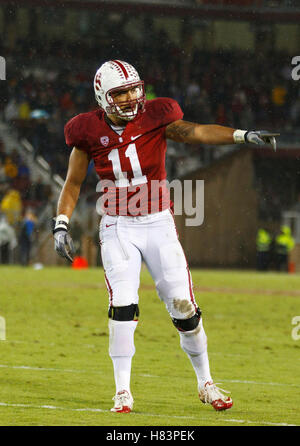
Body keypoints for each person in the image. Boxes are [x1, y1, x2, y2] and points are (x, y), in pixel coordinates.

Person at [53, 60, 278, 413]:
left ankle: (206, 383)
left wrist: (241, 135)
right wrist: (61, 223)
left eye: (133, 89)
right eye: (120, 93)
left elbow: (198, 132)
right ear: (102, 97)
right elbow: (73, 183)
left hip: (157, 222)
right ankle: (122, 391)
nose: (130, 98)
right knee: (123, 305)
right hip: (117, 226)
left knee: (185, 308)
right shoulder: (84, 131)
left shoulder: (155, 117)